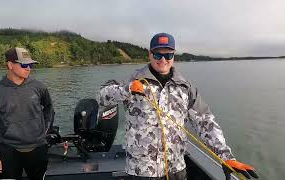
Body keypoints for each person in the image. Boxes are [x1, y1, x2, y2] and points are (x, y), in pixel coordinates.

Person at [97, 33, 259, 180]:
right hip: (141, 171)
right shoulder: (133, 79)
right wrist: (127, 90)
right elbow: (102, 97)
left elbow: (205, 122)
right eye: (158, 54)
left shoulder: (185, 87)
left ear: (173, 55)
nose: (163, 59)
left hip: (176, 170)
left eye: (168, 54)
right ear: (150, 54)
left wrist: (226, 157)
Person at [0, 47, 54, 180]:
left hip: (38, 148)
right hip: (8, 150)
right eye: (24, 64)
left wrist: (45, 130)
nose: (28, 68)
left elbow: (49, 108)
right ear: (10, 65)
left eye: (31, 65)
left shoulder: (39, 87)